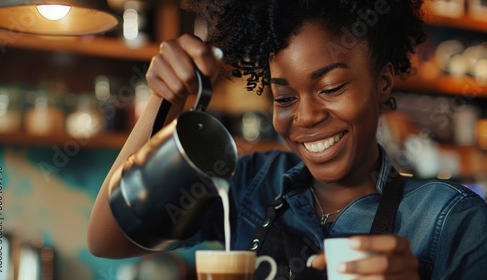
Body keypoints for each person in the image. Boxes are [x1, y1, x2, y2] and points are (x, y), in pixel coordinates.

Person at [87, 0, 487, 279]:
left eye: (331, 88)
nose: (306, 116)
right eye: (285, 98)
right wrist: (166, 99)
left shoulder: (449, 219)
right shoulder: (251, 183)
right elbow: (108, 238)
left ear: (382, 83)